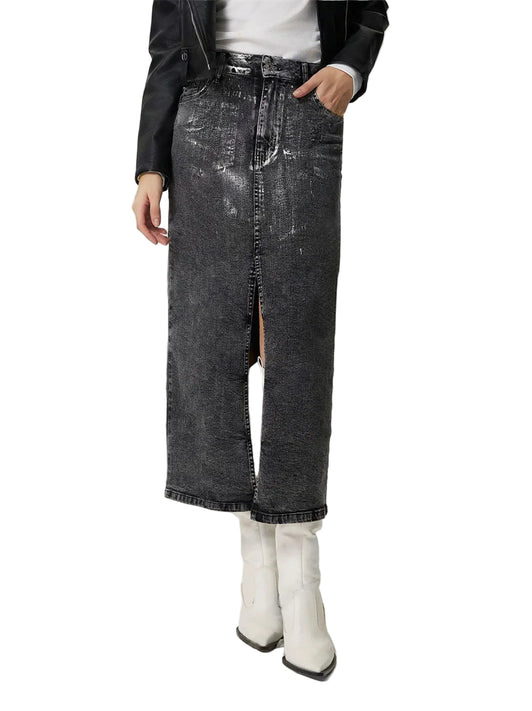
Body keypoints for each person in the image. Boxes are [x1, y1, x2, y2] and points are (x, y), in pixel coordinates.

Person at [132, 0, 390, 681]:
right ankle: (256, 573)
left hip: (306, 106)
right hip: (206, 113)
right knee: (212, 339)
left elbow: (371, 11)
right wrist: (150, 163)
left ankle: (300, 576)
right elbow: (167, 48)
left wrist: (349, 69)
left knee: (297, 344)